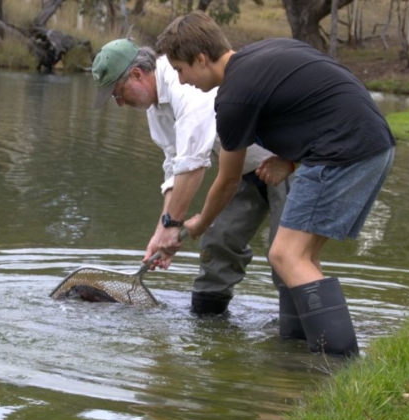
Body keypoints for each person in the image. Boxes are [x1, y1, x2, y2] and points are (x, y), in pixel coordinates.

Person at [155, 11, 396, 356]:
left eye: (180, 69)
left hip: (344, 152)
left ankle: (341, 366)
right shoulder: (263, 54)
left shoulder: (232, 97)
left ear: (202, 59)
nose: (180, 80)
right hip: (373, 145)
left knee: (284, 255)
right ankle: (298, 350)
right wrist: (291, 158)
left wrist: (199, 223)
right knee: (304, 258)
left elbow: (228, 180)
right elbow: (320, 102)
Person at [91, 39, 295, 315]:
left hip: (287, 162)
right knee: (218, 242)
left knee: (285, 255)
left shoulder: (185, 85)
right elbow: (173, 165)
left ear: (137, 75)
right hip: (241, 171)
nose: (119, 104)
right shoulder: (156, 108)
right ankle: (208, 326)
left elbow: (193, 164)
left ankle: (307, 342)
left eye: (118, 94)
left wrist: (173, 223)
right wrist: (161, 231)